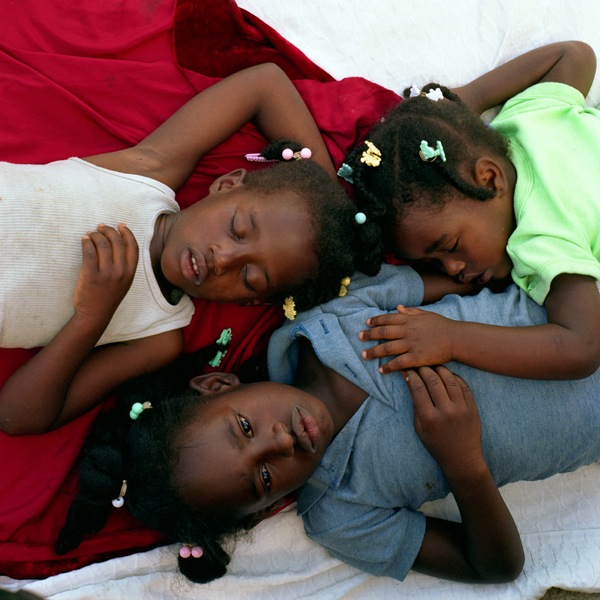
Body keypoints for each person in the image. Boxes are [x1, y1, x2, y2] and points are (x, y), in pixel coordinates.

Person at [55, 264, 600, 584]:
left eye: (244, 428)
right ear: (269, 508)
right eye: (263, 479)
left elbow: (480, 272)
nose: (278, 443)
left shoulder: (330, 316)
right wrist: (464, 463)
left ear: (219, 385)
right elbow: (496, 567)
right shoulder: (341, 515)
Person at [0, 63, 382, 435]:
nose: (224, 258)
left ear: (251, 304)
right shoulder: (148, 173)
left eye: (250, 277)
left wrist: (90, 317)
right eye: (237, 228)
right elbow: (266, 84)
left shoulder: (156, 336)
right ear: (227, 185)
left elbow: (18, 416)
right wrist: (335, 211)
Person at [338, 41, 600, 380]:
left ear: (489, 180)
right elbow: (576, 56)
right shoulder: (525, 117)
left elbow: (581, 347)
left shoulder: (541, 238)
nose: (453, 269)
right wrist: (465, 100)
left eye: (449, 246)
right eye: (434, 264)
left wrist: (451, 337)